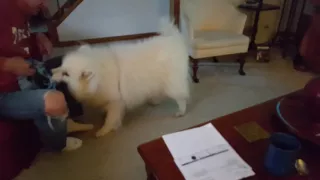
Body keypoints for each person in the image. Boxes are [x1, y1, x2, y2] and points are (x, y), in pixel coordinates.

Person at [0, 0, 92, 152]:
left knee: (73, 62)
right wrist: (7, 64)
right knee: (55, 101)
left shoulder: (32, 9)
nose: (45, 3)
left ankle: (67, 120)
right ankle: (58, 145)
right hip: (4, 91)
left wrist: (40, 35)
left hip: (27, 73)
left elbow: (41, 25)